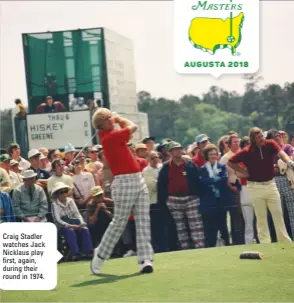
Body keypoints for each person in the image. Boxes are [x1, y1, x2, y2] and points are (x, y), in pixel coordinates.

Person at [90, 108, 153, 274]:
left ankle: (145, 259)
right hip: (124, 181)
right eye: (108, 119)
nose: (111, 120)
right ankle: (101, 254)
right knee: (119, 222)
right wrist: (119, 119)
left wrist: (116, 120)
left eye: (110, 118)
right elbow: (133, 127)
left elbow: (129, 132)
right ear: (101, 125)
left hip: (138, 178)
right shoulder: (110, 137)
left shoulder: (113, 135)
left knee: (143, 220)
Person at [227, 127, 293, 243]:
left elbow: (281, 153)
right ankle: (265, 242)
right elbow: (230, 162)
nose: (262, 139)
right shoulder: (246, 151)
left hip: (271, 185)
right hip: (255, 187)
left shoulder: (270, 144)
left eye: (262, 136)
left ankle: (284, 241)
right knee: (261, 216)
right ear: (253, 139)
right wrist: (243, 171)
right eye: (258, 137)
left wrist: (289, 161)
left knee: (278, 213)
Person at [198, 144, 234, 247]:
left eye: (215, 154)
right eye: (211, 154)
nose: (213, 156)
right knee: (210, 227)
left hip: (221, 201)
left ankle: (226, 244)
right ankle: (211, 246)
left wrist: (210, 181)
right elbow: (202, 182)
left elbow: (223, 180)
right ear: (206, 155)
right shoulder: (202, 169)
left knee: (223, 225)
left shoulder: (222, 167)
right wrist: (214, 180)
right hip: (208, 202)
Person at [51, 182, 93, 261]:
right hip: (62, 227)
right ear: (57, 194)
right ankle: (75, 253)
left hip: (75, 223)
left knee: (85, 229)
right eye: (61, 192)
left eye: (65, 191)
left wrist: (81, 223)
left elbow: (77, 214)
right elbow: (57, 220)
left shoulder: (71, 201)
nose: (64, 194)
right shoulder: (54, 204)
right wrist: (69, 225)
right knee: (70, 231)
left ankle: (89, 252)